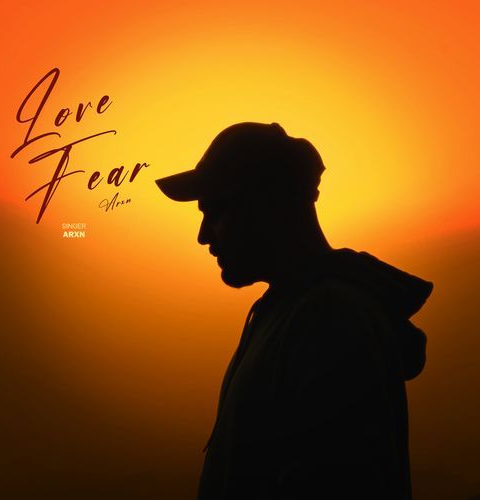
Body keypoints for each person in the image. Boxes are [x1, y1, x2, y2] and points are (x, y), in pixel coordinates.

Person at [155, 122, 433, 500]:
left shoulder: (329, 322)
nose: (203, 236)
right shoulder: (292, 311)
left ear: (266, 203)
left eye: (216, 210)